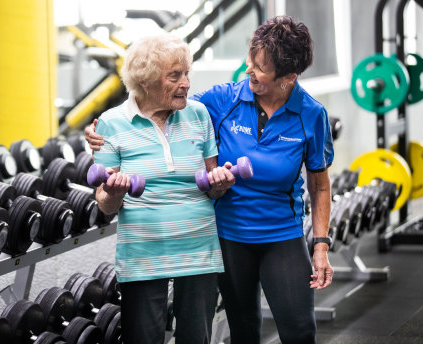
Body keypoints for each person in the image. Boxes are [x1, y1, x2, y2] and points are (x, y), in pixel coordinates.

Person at [87, 15, 334, 344]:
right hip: (227, 235)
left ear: (288, 77)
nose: (249, 71)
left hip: (274, 234)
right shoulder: (220, 101)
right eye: (250, 60)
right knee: (243, 331)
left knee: (300, 330)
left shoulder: (310, 115)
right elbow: (161, 102)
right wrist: (97, 132)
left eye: (259, 68)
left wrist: (320, 245)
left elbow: (319, 185)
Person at [91, 33, 235, 344]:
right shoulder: (110, 124)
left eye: (187, 73)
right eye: (175, 75)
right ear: (145, 81)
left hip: (199, 249)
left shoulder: (198, 115)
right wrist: (114, 193)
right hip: (143, 252)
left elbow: (212, 187)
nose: (186, 83)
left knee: (197, 338)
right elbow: (105, 204)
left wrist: (220, 184)